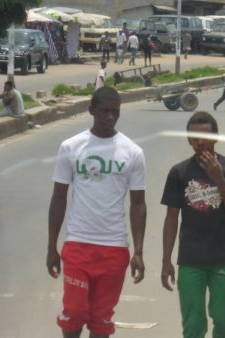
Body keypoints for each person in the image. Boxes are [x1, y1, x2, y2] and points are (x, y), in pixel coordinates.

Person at [47, 87, 147, 338]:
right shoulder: (71, 147)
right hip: (78, 245)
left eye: (115, 112)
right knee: (74, 313)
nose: (110, 117)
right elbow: (59, 198)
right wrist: (52, 247)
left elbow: (138, 204)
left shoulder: (132, 152)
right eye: (104, 111)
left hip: (114, 249)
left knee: (101, 319)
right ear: (91, 111)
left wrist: (139, 251)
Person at [161, 111, 225, 338]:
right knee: (193, 325)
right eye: (195, 137)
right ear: (189, 139)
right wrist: (166, 260)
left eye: (205, 136)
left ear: (216, 137)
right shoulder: (179, 172)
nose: (200, 142)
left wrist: (219, 178)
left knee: (224, 322)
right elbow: (172, 216)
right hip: (191, 260)